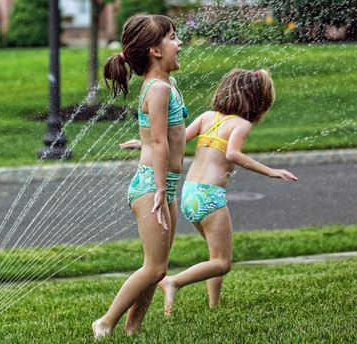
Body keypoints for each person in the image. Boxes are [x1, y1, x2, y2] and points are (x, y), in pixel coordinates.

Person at [120, 68, 297, 316]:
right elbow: (232, 154)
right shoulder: (242, 124)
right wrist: (270, 171)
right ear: (258, 100)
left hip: (190, 193)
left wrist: (143, 143)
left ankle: (215, 304)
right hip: (211, 197)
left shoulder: (207, 116)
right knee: (222, 263)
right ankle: (174, 282)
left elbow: (176, 139)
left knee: (215, 257)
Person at [92, 14, 187, 339]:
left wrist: (142, 141)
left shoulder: (166, 84)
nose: (179, 43)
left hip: (165, 185)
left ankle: (134, 330)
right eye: (172, 37)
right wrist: (160, 188)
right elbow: (160, 142)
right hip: (152, 186)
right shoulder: (158, 88)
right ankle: (105, 322)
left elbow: (159, 134)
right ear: (155, 51)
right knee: (155, 268)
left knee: (157, 264)